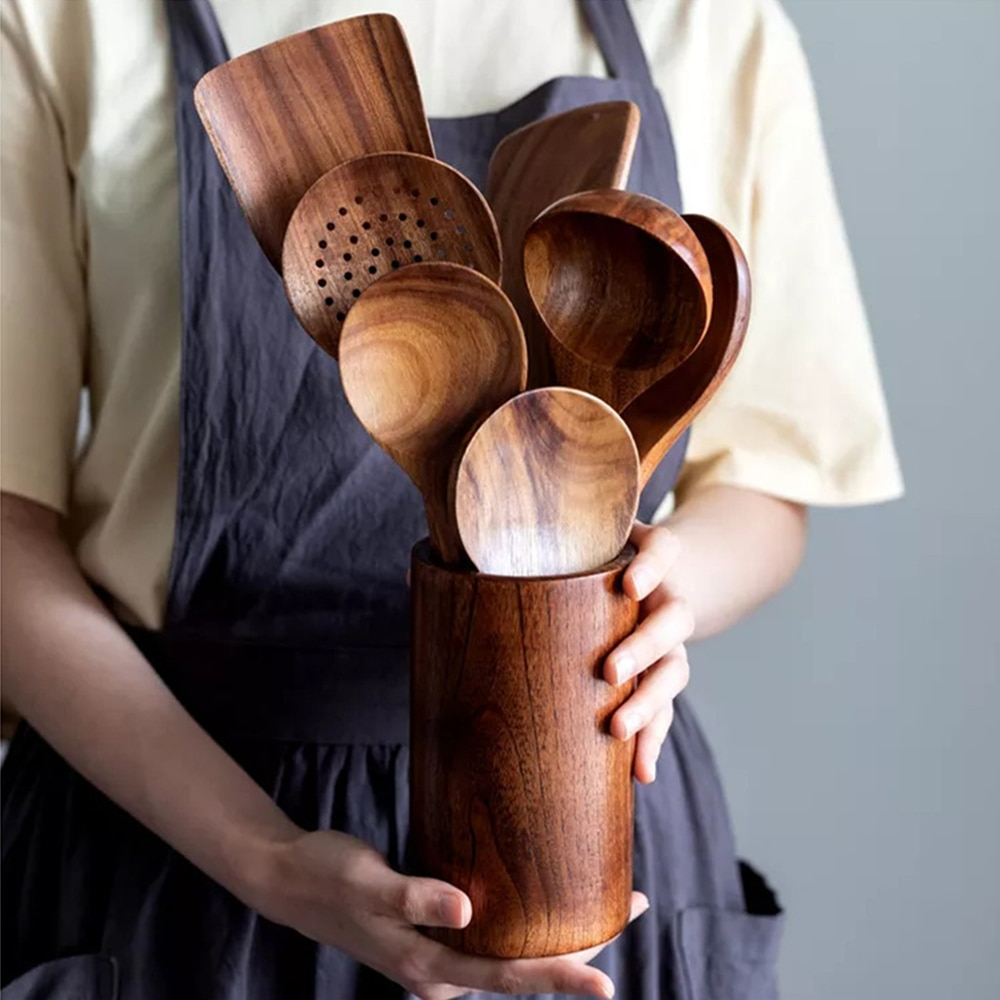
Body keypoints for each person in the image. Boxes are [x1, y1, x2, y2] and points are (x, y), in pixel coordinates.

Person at [0, 0, 903, 997]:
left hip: (586, 816)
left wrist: (661, 586)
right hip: (172, 837)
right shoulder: (61, 19)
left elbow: (764, 485)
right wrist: (262, 855)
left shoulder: (713, 24)